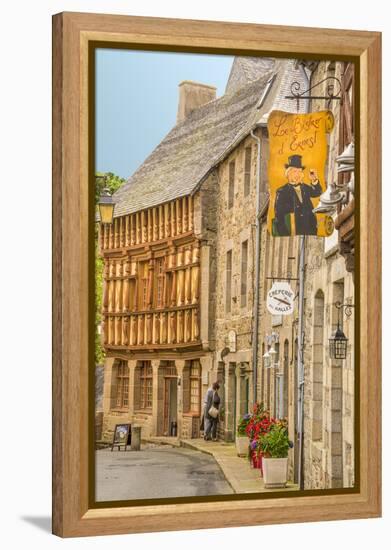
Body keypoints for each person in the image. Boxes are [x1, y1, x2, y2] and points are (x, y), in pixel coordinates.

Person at [273, 155, 322, 236]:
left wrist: (314, 180)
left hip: (310, 230)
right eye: (295, 171)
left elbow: (317, 192)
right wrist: (286, 234)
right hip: (294, 231)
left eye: (299, 171)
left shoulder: (304, 187)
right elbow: (279, 216)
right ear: (288, 174)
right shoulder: (282, 191)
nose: (298, 174)